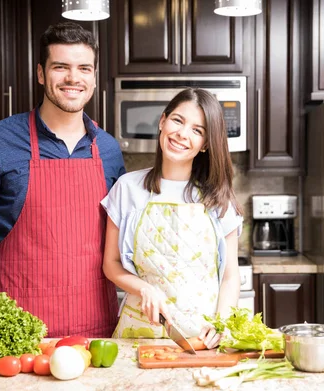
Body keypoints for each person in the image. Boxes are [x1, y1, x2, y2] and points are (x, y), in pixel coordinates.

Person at [0, 22, 125, 338]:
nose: (73, 78)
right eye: (61, 67)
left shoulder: (109, 150)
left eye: (84, 68)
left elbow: (129, 237)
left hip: (97, 331)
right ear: (41, 73)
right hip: (18, 332)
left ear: (94, 77)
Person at [101, 88, 243, 349]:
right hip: (138, 335)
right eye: (178, 120)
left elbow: (230, 277)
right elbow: (110, 264)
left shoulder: (219, 199)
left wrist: (221, 323)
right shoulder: (127, 188)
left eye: (197, 130)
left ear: (206, 145)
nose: (182, 134)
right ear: (162, 122)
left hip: (199, 337)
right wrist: (144, 288)